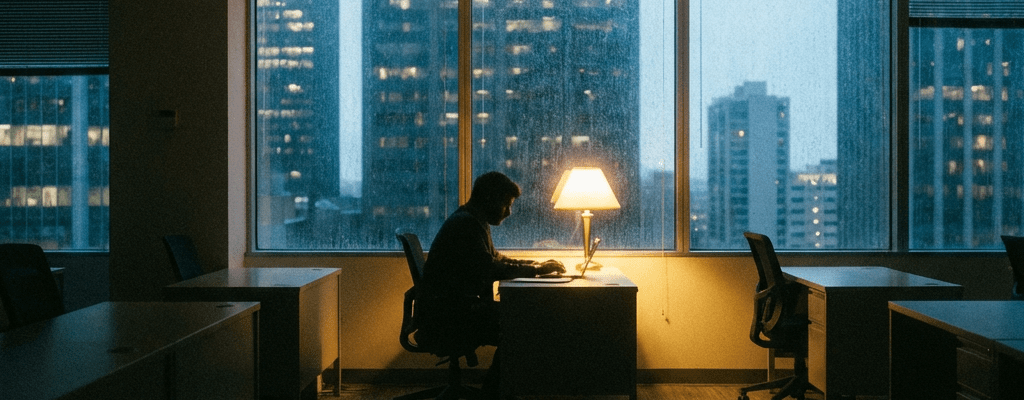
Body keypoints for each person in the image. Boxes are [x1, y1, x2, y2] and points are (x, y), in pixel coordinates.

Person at [416, 171, 565, 398]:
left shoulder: (473, 219)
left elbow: (496, 259)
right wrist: (536, 270)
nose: (508, 212)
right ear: (490, 199)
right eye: (506, 204)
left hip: (451, 309)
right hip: (450, 317)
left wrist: (535, 264)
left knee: (521, 321)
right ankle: (494, 395)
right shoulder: (466, 225)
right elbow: (489, 269)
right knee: (522, 327)